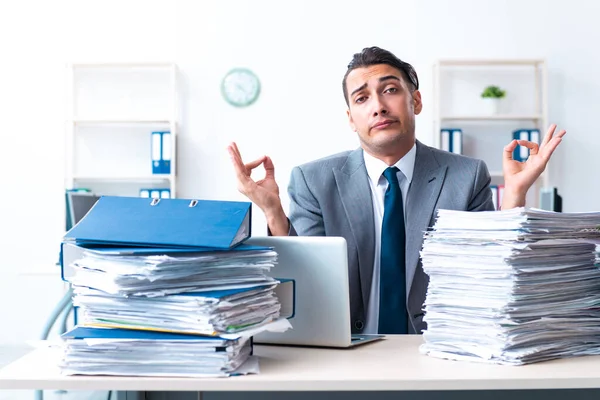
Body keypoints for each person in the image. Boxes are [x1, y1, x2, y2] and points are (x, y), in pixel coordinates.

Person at [227, 46, 566, 335]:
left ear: (415, 101)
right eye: (362, 98)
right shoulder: (313, 180)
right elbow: (301, 283)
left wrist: (515, 195)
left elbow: (490, 271)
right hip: (344, 350)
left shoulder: (466, 175)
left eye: (390, 90)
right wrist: (272, 211)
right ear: (351, 118)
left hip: (439, 347)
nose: (378, 106)